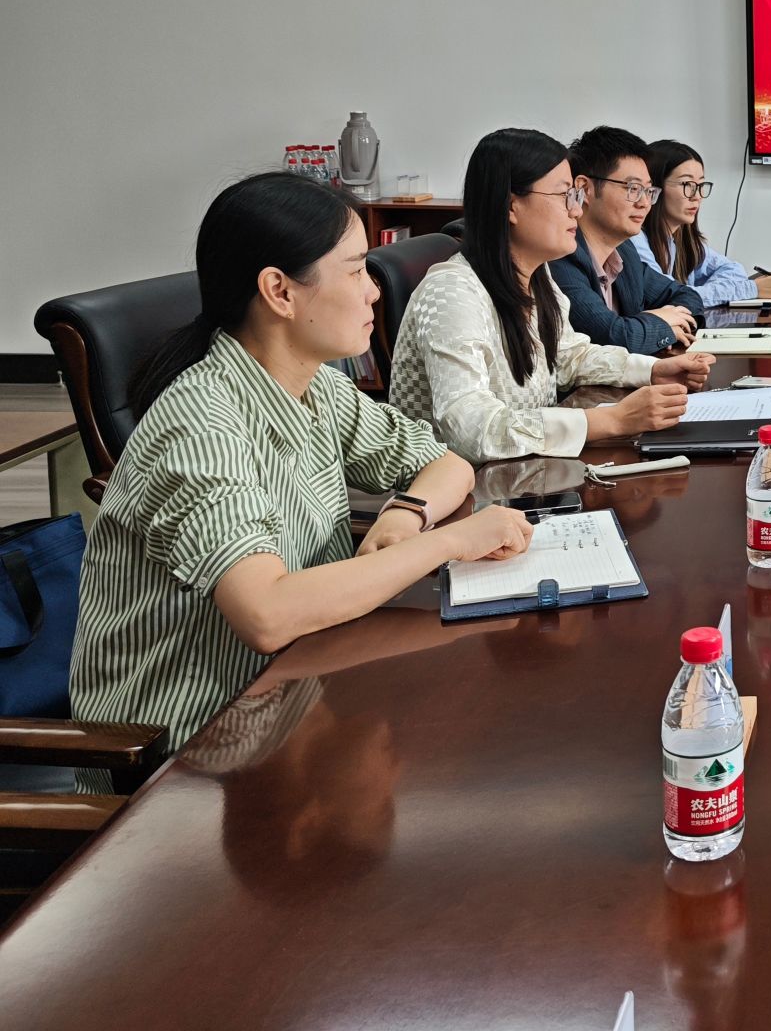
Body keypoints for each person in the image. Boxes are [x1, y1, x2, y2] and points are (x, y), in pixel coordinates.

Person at [68, 172, 535, 772]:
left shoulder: (315, 387)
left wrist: (406, 514)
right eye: (356, 270)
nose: (374, 292)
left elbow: (443, 462)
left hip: (296, 689)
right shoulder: (201, 423)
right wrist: (449, 542)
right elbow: (266, 614)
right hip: (189, 748)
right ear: (279, 292)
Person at [387, 128, 708, 463]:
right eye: (564, 195)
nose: (577, 210)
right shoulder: (452, 293)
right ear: (511, 206)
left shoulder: (537, 278)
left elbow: (569, 357)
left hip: (523, 471)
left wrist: (653, 370)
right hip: (464, 488)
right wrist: (608, 421)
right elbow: (470, 428)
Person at [549, 125, 707, 353]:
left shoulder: (625, 253)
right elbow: (612, 336)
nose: (644, 203)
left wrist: (651, 325)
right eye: (633, 188)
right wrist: (659, 323)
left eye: (648, 191)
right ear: (585, 188)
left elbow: (687, 296)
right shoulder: (560, 257)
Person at [633, 139, 771, 304]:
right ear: (653, 188)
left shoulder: (682, 240)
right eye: (687, 184)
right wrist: (751, 289)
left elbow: (733, 269)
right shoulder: (635, 240)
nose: (697, 196)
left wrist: (710, 292)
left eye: (701, 185)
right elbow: (668, 296)